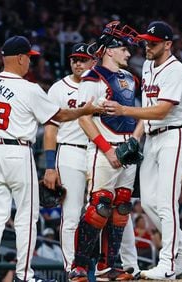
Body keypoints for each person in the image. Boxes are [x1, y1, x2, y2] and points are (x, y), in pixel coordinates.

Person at [0, 35, 99, 282]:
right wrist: (85, 110)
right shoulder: (29, 88)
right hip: (17, 151)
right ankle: (24, 275)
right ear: (19, 58)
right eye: (29, 57)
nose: (30, 62)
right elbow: (58, 116)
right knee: (27, 217)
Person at [103, 21, 182, 279]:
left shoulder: (176, 70)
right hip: (152, 138)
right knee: (148, 202)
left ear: (168, 44)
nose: (147, 46)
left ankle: (167, 263)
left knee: (166, 202)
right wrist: (135, 137)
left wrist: (124, 110)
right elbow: (148, 106)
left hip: (174, 135)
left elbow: (161, 109)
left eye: (153, 43)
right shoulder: (146, 65)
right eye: (145, 41)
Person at [43, 43, 140, 276]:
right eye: (74, 59)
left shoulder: (103, 83)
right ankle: (72, 269)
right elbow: (50, 130)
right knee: (74, 214)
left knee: (112, 208)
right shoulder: (58, 88)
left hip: (95, 149)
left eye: (83, 59)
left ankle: (110, 265)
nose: (77, 63)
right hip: (70, 151)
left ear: (94, 61)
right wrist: (49, 165)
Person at [68, 21, 140, 282]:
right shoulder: (92, 78)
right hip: (104, 148)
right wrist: (107, 149)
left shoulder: (131, 78)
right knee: (99, 205)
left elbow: (140, 113)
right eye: (124, 49)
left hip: (127, 148)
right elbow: (83, 118)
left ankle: (109, 265)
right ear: (110, 50)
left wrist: (135, 141)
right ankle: (79, 265)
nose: (129, 54)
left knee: (122, 206)